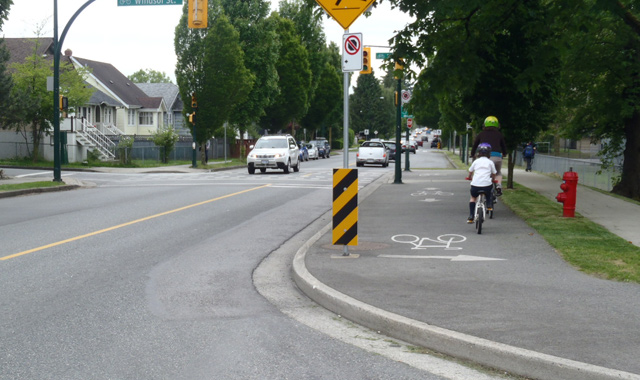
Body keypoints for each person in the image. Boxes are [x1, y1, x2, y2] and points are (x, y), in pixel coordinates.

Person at [471, 116, 507, 196]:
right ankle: (498, 185)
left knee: (484, 171)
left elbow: (475, 145)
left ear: (485, 125)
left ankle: (482, 186)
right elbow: (503, 146)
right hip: (497, 157)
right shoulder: (499, 134)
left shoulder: (481, 134)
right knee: (498, 172)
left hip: (485, 156)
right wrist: (504, 153)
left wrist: (472, 154)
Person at [467, 143, 497, 224]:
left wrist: (470, 177)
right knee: (490, 191)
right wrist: (493, 179)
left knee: (473, 198)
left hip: (475, 185)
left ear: (478, 153)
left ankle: (471, 216)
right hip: (486, 185)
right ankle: (489, 205)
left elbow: (470, 171)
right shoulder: (490, 162)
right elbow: (494, 173)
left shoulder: (476, 161)